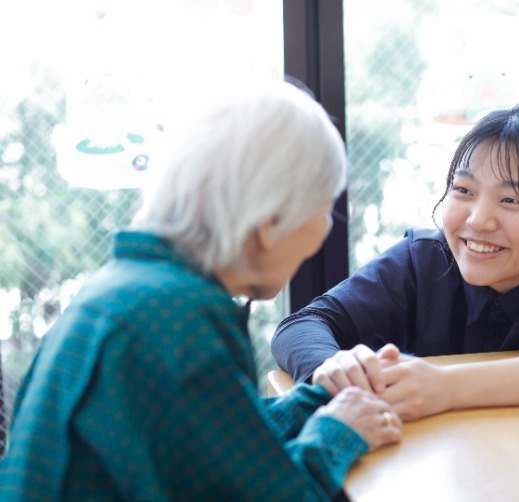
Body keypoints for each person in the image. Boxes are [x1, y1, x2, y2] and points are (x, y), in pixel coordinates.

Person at [0, 82, 402, 500]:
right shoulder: (180, 323)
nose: (325, 229)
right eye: (323, 209)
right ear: (270, 220)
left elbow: (210, 442)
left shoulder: (127, 293)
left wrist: (317, 400)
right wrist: (337, 433)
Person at [272, 103, 519, 421]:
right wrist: (334, 367)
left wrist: (448, 387)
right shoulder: (422, 261)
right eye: (464, 190)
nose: (477, 220)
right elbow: (303, 325)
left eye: (512, 200)